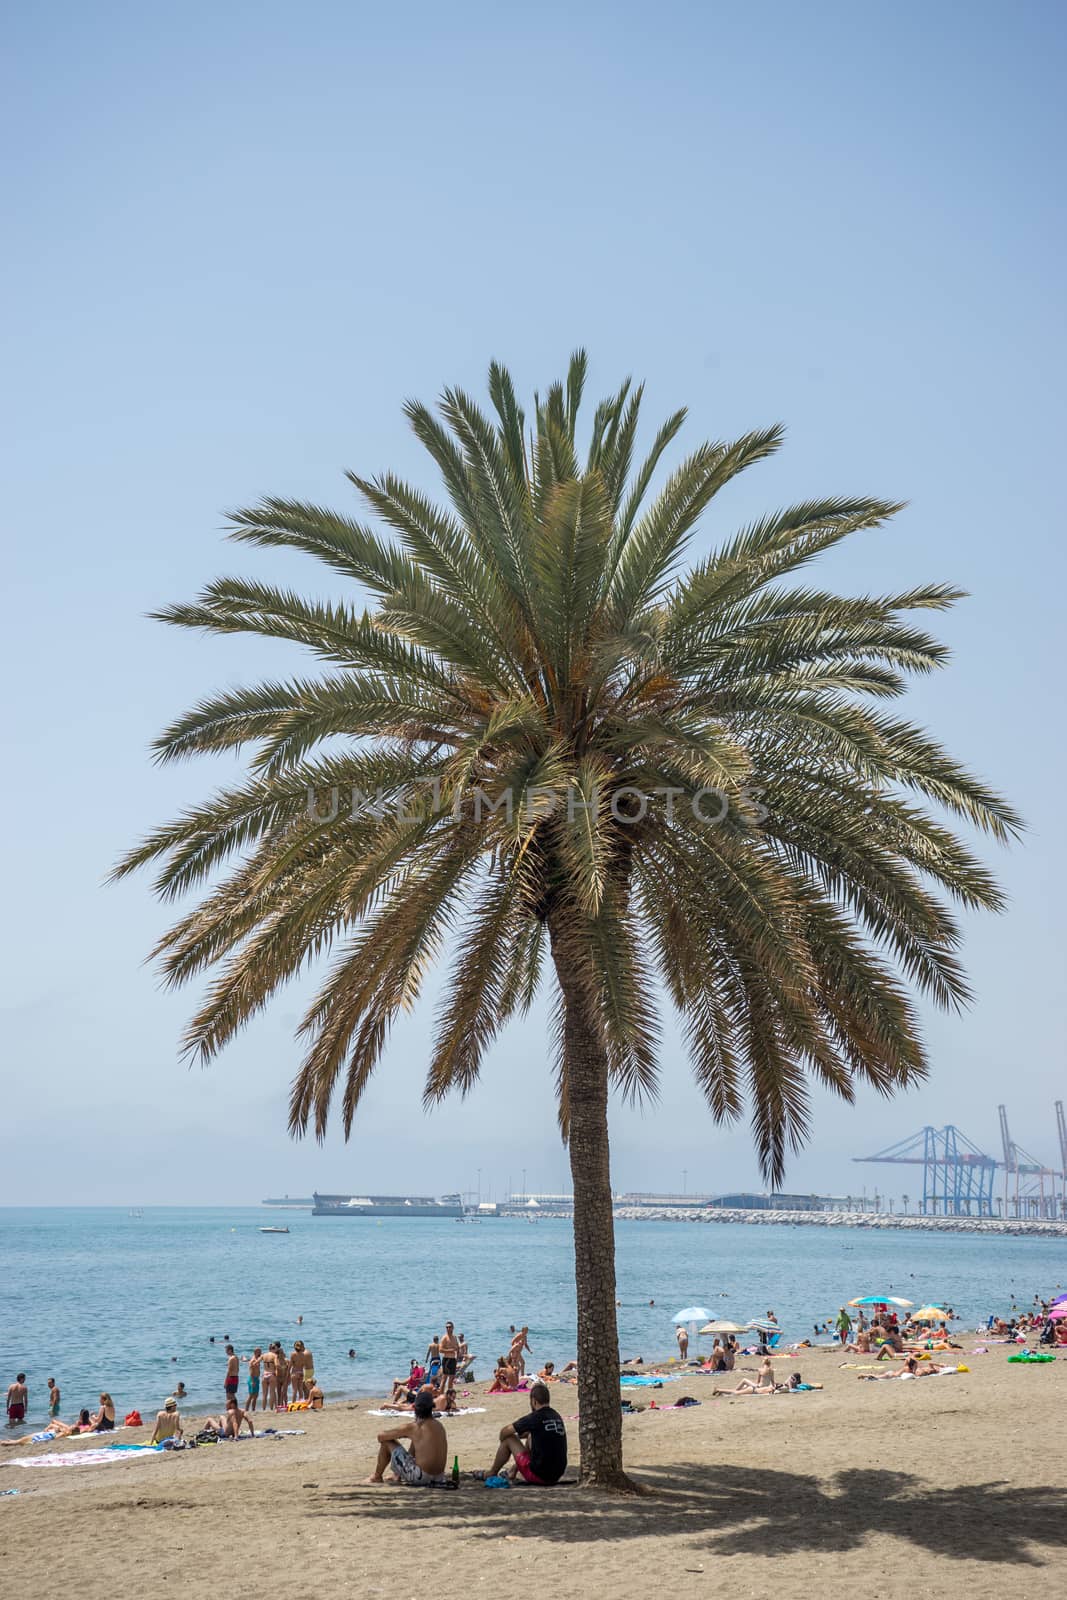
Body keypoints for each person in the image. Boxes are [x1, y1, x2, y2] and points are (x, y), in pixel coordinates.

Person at [485, 1382, 567, 1485]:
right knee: (530, 1436)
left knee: (509, 1439)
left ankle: (492, 1472)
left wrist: (504, 1443)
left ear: (534, 1401)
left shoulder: (535, 1417)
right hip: (556, 1474)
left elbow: (505, 1431)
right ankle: (513, 1471)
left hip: (539, 1475)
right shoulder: (556, 1415)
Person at [367, 1388, 448, 1485]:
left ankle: (377, 1476)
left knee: (387, 1442)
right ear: (432, 1408)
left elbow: (381, 1437)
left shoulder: (414, 1427)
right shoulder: (439, 1425)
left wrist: (402, 1434)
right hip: (439, 1477)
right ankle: (397, 1475)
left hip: (421, 1478)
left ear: (415, 1407)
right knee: (415, 1442)